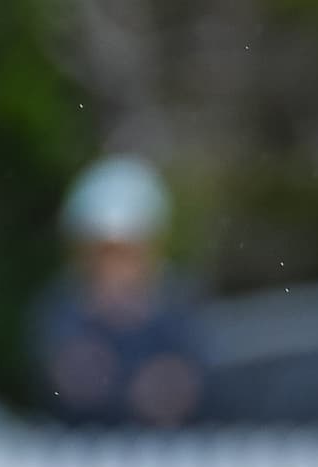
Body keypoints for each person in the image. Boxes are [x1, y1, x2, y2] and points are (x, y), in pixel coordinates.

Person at [30, 155, 208, 430]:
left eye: (125, 253)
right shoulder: (63, 311)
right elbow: (70, 386)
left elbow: (184, 392)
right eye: (103, 253)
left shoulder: (178, 307)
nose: (114, 267)